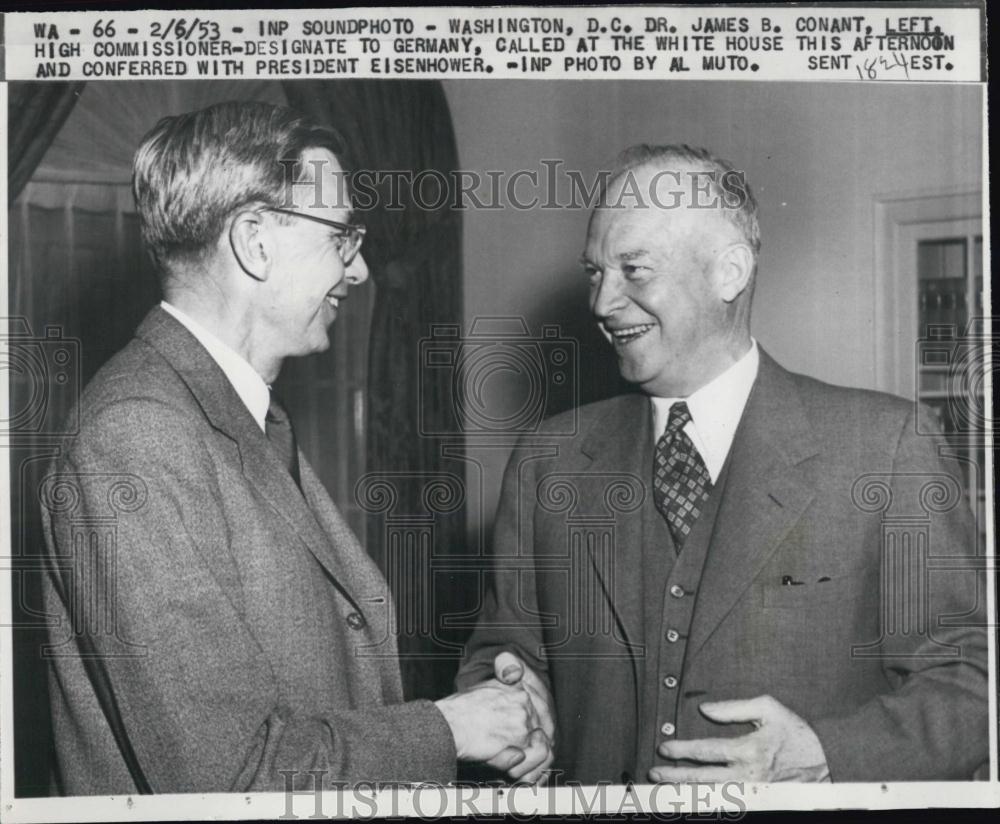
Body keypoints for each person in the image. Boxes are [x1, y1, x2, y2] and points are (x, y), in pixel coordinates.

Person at [40, 101, 551, 794]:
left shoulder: (238, 415)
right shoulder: (136, 436)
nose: (361, 268)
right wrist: (451, 728)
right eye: (341, 235)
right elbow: (229, 773)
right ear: (254, 242)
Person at [456, 144, 988, 783]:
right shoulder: (548, 461)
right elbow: (500, 652)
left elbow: (972, 687)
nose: (601, 302)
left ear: (729, 272)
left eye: (634, 269)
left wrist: (826, 755)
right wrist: (516, 700)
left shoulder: (886, 446)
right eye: (594, 272)